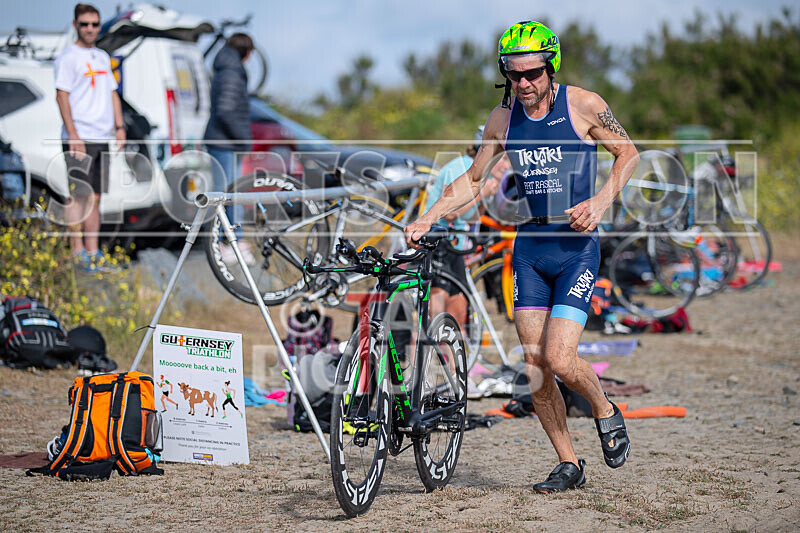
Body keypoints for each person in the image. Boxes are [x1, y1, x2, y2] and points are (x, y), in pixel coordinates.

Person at [406, 21, 640, 493]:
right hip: (530, 250)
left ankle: (605, 408)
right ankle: (569, 463)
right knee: (536, 366)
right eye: (513, 75)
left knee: (559, 356)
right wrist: (428, 216)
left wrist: (599, 203)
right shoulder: (502, 119)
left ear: (550, 66)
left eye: (532, 73)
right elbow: (473, 180)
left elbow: (628, 153)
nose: (524, 84)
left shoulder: (584, 104)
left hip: (575, 249)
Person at [54, 3, 125, 271]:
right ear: (75, 25)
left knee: (96, 196)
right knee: (78, 195)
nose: (90, 29)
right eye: (85, 24)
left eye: (95, 24)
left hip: (101, 136)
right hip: (80, 136)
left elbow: (112, 93)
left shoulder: (103, 57)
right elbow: (62, 96)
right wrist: (73, 134)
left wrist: (120, 127)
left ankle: (93, 251)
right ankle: (77, 251)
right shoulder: (68, 58)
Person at [203, 33, 255, 264]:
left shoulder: (225, 69)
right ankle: (230, 244)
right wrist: (243, 138)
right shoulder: (232, 73)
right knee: (226, 195)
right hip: (225, 142)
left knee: (230, 194)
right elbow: (225, 110)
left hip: (224, 141)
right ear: (247, 52)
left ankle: (233, 241)